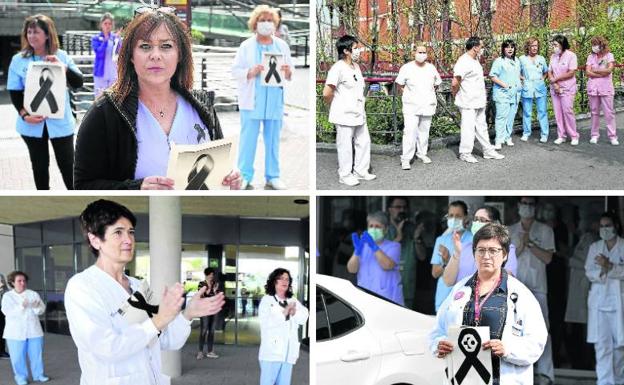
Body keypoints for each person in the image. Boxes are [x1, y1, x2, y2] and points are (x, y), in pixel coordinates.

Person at [74, 8, 241, 190]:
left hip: (200, 217)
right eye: (145, 46)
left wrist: (230, 179)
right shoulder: (105, 113)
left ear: (180, 55)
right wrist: (136, 189)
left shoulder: (203, 107)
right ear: (130, 56)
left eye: (166, 46)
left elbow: (219, 168)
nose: (155, 55)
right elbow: (84, 185)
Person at [64, 199, 226, 384]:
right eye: (118, 232)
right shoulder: (83, 287)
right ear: (95, 240)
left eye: (130, 232)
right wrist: (159, 320)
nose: (128, 240)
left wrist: (188, 313)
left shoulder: (137, 286)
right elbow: (106, 347)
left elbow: (165, 340)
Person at [430, 223, 548, 385]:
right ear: (474, 254)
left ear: (505, 255)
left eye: (493, 251)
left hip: (503, 379)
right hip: (463, 378)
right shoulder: (460, 290)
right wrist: (440, 344)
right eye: (481, 250)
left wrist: (507, 349)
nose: (486, 256)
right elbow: (437, 330)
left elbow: (536, 341)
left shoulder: (520, 294)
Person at [7, 14, 84, 190]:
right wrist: (25, 115)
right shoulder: (18, 60)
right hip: (32, 124)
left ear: (47, 34)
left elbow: (78, 83)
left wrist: (62, 67)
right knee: (40, 168)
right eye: (29, 32)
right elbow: (14, 91)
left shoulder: (61, 56)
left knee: (68, 168)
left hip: (60, 122)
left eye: (36, 32)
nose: (32, 36)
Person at [231, 5, 293, 190]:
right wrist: (250, 71)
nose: (266, 23)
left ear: (275, 24)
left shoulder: (281, 45)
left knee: (273, 140)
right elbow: (235, 71)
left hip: (274, 100)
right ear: (255, 23)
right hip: (252, 101)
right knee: (247, 139)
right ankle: (244, 175)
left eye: (270, 20)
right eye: (262, 20)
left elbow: (290, 72)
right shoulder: (246, 46)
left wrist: (288, 71)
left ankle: (273, 176)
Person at [509, 197, 555, 385]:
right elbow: (506, 259)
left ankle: (546, 374)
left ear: (535, 208)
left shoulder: (545, 230)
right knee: (515, 330)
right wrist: (520, 245)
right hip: (516, 287)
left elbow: (548, 258)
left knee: (542, 330)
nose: (527, 207)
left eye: (530, 204)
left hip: (538, 288)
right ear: (518, 206)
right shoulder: (510, 230)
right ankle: (518, 374)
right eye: (524, 204)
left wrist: (530, 244)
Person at [323, 35, 375, 186]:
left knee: (363, 141)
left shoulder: (356, 67)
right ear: (346, 50)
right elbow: (327, 93)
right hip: (344, 114)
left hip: (359, 111)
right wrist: (336, 106)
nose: (358, 50)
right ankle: (345, 175)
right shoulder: (337, 68)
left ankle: (361, 171)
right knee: (345, 145)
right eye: (355, 48)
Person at [585, 212, 624, 385]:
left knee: (619, 348)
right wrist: (603, 270)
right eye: (601, 226)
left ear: (616, 226)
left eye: (607, 225)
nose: (604, 229)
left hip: (619, 304)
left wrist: (610, 266)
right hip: (600, 305)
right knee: (602, 347)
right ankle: (604, 382)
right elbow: (589, 272)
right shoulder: (595, 247)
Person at [452, 36, 504, 163]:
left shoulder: (475, 60)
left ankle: (488, 151)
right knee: (468, 128)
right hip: (467, 101)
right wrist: (455, 95)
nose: (482, 49)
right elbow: (455, 82)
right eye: (481, 46)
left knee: (482, 126)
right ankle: (465, 153)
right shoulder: (463, 61)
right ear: (475, 47)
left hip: (478, 100)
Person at [441, 205, 518, 286]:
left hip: (489, 297)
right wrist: (457, 253)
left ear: (495, 224)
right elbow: (448, 281)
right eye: (475, 219)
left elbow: (509, 280)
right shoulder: (463, 247)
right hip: (462, 296)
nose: (477, 223)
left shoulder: (506, 248)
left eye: (482, 220)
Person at [259, 268, 308, 385]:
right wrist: (284, 313)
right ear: (274, 282)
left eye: (287, 279)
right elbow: (266, 324)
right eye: (281, 278)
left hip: (288, 353)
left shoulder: (293, 300)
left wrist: (294, 312)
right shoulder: (267, 300)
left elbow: (304, 317)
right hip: (271, 353)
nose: (284, 281)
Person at [395, 45, 442, 169]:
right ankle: (406, 158)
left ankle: (422, 153)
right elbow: (399, 85)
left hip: (427, 104)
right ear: (414, 53)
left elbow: (437, 83)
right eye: (419, 52)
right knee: (410, 132)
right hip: (411, 106)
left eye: (424, 52)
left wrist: (428, 93)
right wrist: (409, 95)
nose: (422, 54)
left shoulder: (431, 68)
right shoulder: (407, 68)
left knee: (424, 131)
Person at [1, 271, 49, 384]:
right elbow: (7, 312)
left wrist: (37, 307)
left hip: (34, 330)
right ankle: (21, 377)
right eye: (19, 281)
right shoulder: (8, 296)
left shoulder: (32, 293)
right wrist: (21, 306)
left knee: (36, 354)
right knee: (17, 357)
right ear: (12, 283)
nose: (22, 283)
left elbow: (41, 309)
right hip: (15, 333)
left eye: (24, 281)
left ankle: (39, 375)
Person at [347, 211, 403, 305]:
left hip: (388, 299)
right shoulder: (362, 246)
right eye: (371, 226)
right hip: (365, 298)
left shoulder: (394, 246)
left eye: (378, 226)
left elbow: (387, 265)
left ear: (386, 229)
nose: (373, 229)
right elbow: (351, 269)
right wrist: (357, 252)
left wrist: (373, 246)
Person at [385, 197, 427, 309]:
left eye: (404, 207)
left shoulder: (413, 229)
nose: (402, 210)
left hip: (407, 290)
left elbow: (422, 256)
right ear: (390, 210)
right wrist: (398, 237)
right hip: (386, 290)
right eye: (398, 207)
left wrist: (417, 238)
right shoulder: (382, 229)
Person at [431, 200, 473, 312]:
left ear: (466, 218)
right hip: (443, 298)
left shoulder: (473, 240)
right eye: (451, 216)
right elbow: (435, 273)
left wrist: (451, 260)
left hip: (465, 299)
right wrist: (445, 263)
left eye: (458, 216)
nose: (454, 219)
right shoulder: (441, 240)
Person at [586, 36, 618, 145]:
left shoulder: (609, 56)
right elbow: (587, 72)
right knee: (594, 112)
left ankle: (612, 136)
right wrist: (601, 72)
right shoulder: (590, 57)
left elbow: (609, 70)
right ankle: (594, 135)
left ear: (601, 45)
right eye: (592, 44)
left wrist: (595, 70)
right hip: (593, 88)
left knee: (609, 113)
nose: (594, 47)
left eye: (596, 44)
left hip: (606, 88)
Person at [490, 39, 522, 149]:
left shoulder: (517, 61)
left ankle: (507, 137)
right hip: (502, 93)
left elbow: (517, 75)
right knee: (501, 116)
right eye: (507, 47)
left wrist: (523, 80)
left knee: (511, 117)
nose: (510, 49)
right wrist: (505, 85)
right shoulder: (499, 61)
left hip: (515, 93)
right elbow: (493, 76)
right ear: (503, 49)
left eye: (512, 47)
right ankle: (498, 140)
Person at [548, 35, 579, 146]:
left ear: (562, 44)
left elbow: (571, 72)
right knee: (558, 113)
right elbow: (550, 71)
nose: (554, 47)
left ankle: (574, 135)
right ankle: (561, 135)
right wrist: (554, 83)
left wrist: (556, 79)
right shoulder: (553, 57)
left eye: (555, 45)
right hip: (555, 89)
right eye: (553, 45)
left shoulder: (571, 56)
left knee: (567, 111)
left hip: (567, 88)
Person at [519, 38, 550, 142]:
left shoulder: (541, 58)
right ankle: (526, 132)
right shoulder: (522, 59)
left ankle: (544, 134)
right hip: (527, 87)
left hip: (539, 87)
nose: (534, 48)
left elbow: (546, 71)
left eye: (536, 45)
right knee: (527, 112)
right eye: (532, 45)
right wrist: (522, 78)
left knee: (542, 111)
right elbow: (517, 72)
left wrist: (543, 78)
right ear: (528, 47)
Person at [92, 13, 121, 98]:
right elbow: (99, 52)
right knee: (99, 98)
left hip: (113, 73)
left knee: (113, 98)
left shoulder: (115, 38)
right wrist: (105, 41)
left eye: (110, 24)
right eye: (105, 23)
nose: (107, 26)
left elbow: (120, 52)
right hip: (101, 73)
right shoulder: (96, 38)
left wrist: (118, 41)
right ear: (101, 25)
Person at [197, 267, 220, 360]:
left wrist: (214, 291)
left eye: (213, 274)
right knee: (204, 330)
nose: (212, 276)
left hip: (213, 309)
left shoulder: (215, 284)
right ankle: (200, 352)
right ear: (206, 274)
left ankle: (210, 351)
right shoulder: (201, 284)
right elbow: (201, 296)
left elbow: (217, 296)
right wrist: (209, 289)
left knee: (212, 330)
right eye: (210, 274)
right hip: (204, 310)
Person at [0, 273, 10, 359]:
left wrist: (3, 289)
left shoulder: (1, 275)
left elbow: (6, 291)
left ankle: (2, 351)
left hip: (2, 310)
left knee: (2, 330)